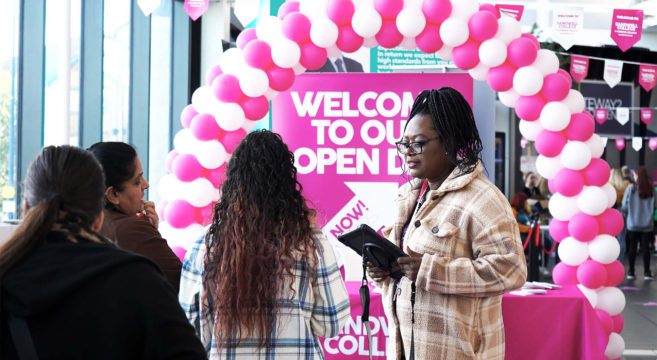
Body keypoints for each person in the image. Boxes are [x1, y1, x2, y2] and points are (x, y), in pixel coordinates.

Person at [0, 145, 205, 359]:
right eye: (137, 180)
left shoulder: (8, 277)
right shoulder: (139, 277)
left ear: (26, 208)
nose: (145, 184)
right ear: (99, 217)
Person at [367, 88, 527, 360]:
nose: (407, 152)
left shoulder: (482, 199)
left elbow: (511, 270)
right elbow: (409, 269)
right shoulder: (411, 197)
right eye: (403, 143)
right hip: (407, 348)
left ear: (448, 143)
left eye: (417, 143)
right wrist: (387, 271)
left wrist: (431, 269)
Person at [179, 130, 350, 358]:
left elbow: (190, 326)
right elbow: (331, 322)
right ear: (287, 182)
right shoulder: (311, 243)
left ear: (234, 182)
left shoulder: (206, 245)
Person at [89, 142, 182, 292]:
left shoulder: (84, 223)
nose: (146, 185)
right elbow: (183, 285)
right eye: (137, 181)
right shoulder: (132, 228)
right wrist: (149, 233)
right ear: (113, 194)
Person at [622, 166, 655, 280]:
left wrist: (628, 214)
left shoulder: (631, 188)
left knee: (632, 248)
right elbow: (655, 206)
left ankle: (631, 272)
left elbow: (624, 206)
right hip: (647, 225)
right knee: (646, 249)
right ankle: (647, 273)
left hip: (632, 224)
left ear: (637, 176)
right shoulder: (651, 189)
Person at [609, 167, 629, 260]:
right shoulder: (626, 185)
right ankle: (619, 259)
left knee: (609, 238)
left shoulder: (608, 186)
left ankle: (610, 258)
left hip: (610, 214)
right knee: (621, 238)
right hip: (622, 213)